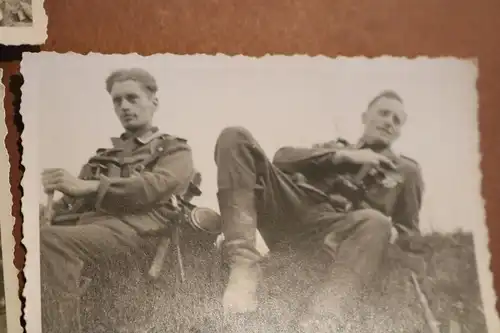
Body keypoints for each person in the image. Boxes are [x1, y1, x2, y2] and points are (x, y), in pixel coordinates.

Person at [212, 90, 425, 332]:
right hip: (295, 208)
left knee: (376, 221)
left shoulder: (406, 170)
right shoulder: (334, 148)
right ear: (365, 117)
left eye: (397, 120)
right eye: (384, 113)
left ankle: (321, 321)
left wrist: (393, 235)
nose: (389, 122)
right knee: (235, 137)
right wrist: (344, 156)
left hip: (339, 232)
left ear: (399, 130)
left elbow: (410, 233)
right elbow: (282, 159)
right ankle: (243, 268)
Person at [39, 68, 195, 333]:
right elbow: (70, 203)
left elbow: (156, 185)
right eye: (117, 100)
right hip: (94, 231)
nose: (124, 106)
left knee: (51, 240)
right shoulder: (102, 157)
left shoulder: (174, 149)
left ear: (153, 102)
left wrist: (88, 186)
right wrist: (50, 208)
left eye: (132, 98)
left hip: (142, 231)